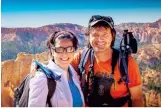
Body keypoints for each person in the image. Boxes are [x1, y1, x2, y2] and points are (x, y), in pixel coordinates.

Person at [71, 15, 144, 107]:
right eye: (95, 35)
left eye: (105, 34)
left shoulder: (126, 62)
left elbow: (137, 98)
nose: (100, 39)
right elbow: (60, 73)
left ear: (112, 36)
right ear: (88, 37)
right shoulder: (81, 57)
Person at [28, 31, 84, 107]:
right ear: (52, 50)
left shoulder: (73, 72)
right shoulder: (42, 78)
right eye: (59, 49)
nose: (65, 54)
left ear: (74, 50)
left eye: (70, 49)